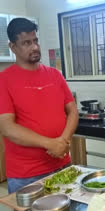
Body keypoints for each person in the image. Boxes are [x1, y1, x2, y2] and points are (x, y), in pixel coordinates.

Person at [0, 18, 79, 194]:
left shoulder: (55, 75)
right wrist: (50, 144)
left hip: (62, 166)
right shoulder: (3, 80)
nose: (34, 47)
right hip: (26, 175)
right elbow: (7, 128)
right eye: (26, 43)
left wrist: (63, 141)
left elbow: (72, 111)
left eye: (35, 40)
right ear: (13, 47)